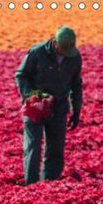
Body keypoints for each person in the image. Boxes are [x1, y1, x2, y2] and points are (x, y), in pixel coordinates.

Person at [15, 26, 83, 184]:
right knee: (33, 148)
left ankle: (49, 186)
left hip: (59, 108)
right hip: (35, 107)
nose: (65, 53)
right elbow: (21, 75)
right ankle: (31, 185)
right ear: (55, 42)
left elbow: (76, 85)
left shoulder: (74, 57)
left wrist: (76, 111)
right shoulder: (37, 53)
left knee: (56, 150)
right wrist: (33, 96)